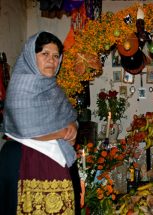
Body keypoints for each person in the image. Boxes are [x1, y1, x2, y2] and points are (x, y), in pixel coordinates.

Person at [0, 31, 80, 214]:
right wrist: (62, 133)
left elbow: (70, 116)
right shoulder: (20, 86)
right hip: (25, 161)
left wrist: (73, 127)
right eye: (44, 54)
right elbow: (24, 126)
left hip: (58, 161)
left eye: (55, 56)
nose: (51, 60)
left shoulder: (53, 87)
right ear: (31, 55)